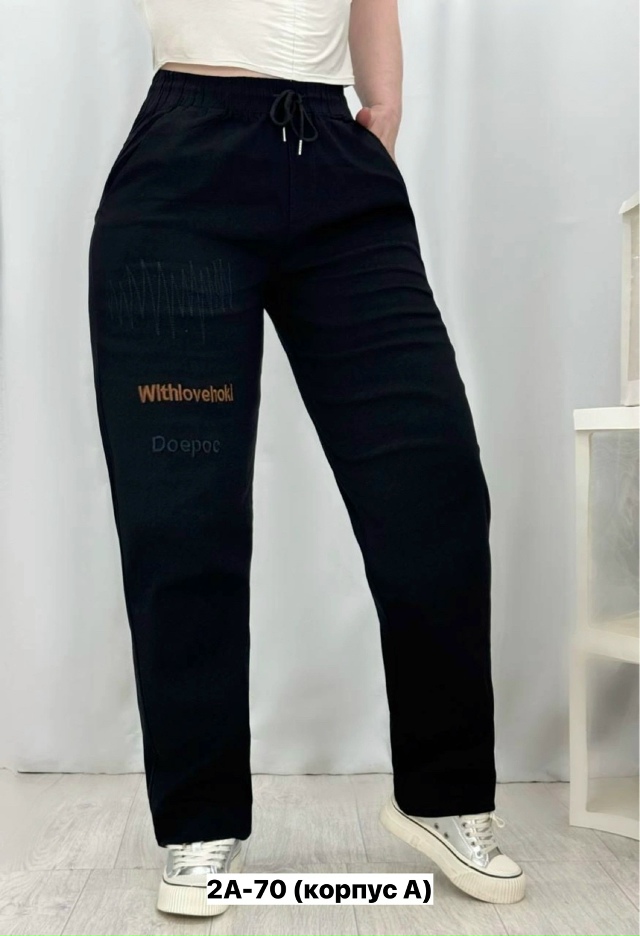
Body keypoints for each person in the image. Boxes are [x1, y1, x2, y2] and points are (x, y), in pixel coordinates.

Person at [87, 0, 526, 917]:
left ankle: (443, 794)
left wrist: (385, 104)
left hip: (339, 173)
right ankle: (199, 818)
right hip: (182, 181)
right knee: (183, 511)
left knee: (432, 484)